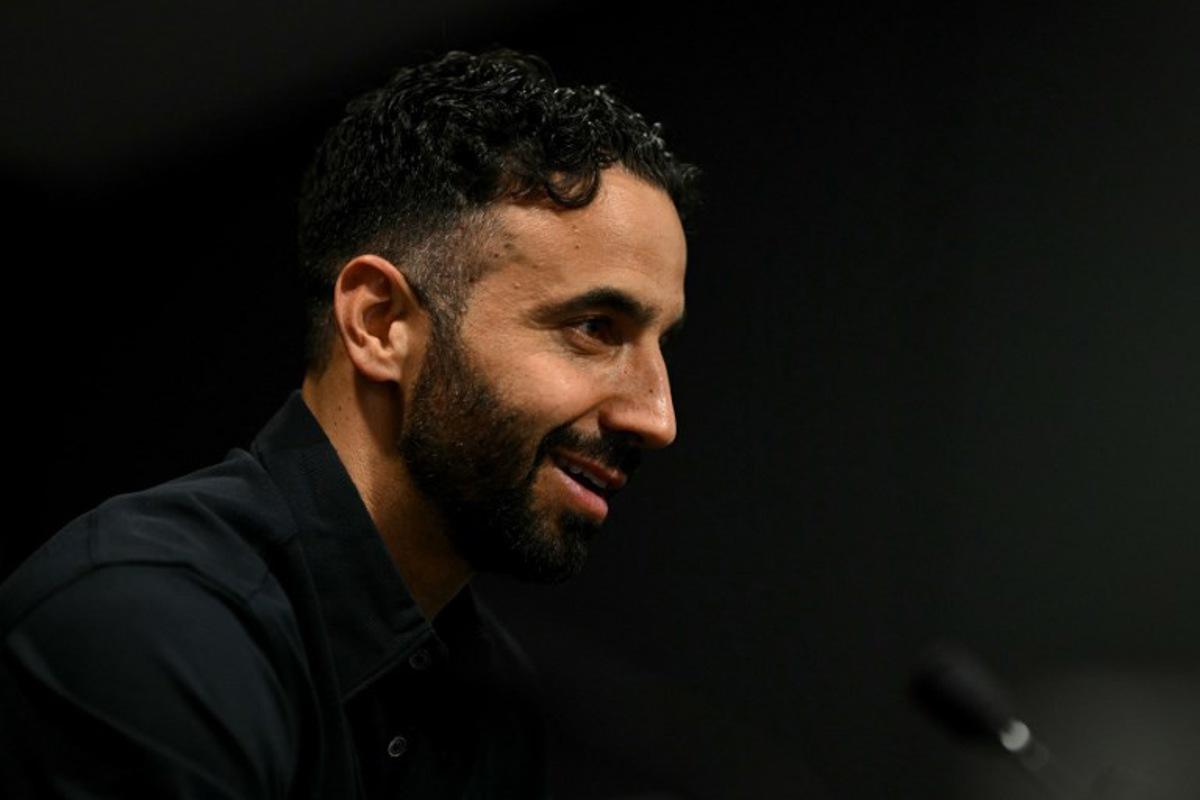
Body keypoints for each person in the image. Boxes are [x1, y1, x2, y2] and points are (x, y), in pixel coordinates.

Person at [0, 49, 697, 798]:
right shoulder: (144, 626)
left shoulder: (489, 701)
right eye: (595, 327)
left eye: (662, 346)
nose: (657, 419)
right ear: (380, 322)